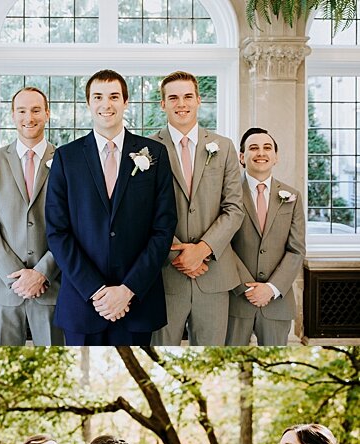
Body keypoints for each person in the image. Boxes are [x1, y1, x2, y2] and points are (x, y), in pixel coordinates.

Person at [45, 69, 177, 345]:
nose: (106, 104)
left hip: (137, 302)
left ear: (125, 102)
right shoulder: (66, 157)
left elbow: (163, 229)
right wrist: (96, 290)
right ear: (89, 103)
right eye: (98, 97)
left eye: (114, 96)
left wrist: (128, 290)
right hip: (83, 303)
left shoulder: (154, 154)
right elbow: (58, 231)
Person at [151, 71, 243, 346]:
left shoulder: (223, 147)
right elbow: (141, 213)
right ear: (163, 103)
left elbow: (234, 208)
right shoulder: (146, 149)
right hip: (166, 274)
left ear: (199, 100)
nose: (182, 103)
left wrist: (202, 250)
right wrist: (178, 252)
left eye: (188, 96)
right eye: (174, 97)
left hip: (213, 273)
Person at [0, 87, 62, 346]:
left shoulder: (66, 160)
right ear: (12, 115)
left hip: (51, 284)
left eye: (36, 110)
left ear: (47, 114)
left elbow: (74, 225)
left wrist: (42, 272)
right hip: (2, 286)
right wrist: (16, 274)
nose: (29, 117)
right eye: (22, 111)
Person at [225, 128, 305, 346]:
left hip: (277, 302)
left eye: (267, 147)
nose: (261, 153)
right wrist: (247, 288)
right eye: (253, 148)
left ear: (275, 157)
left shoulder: (292, 197)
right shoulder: (226, 194)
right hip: (235, 299)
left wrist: (271, 288)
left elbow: (296, 250)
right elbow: (222, 245)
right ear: (242, 157)